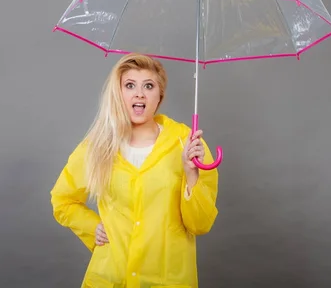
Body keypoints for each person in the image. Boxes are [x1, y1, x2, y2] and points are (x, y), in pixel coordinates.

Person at [50, 53, 219, 288]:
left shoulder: (186, 144)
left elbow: (200, 225)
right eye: (130, 85)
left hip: (167, 280)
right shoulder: (98, 145)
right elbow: (62, 200)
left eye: (148, 86)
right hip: (111, 278)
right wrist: (93, 226)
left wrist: (191, 175)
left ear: (159, 95)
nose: (139, 93)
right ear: (118, 93)